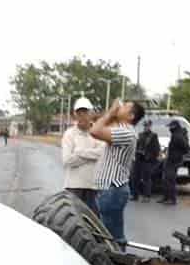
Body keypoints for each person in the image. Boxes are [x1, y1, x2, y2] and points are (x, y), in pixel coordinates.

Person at [90, 99, 146, 247]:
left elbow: (95, 131)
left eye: (125, 107)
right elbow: (100, 123)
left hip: (112, 189)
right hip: (111, 190)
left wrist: (111, 112)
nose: (120, 107)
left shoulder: (126, 133)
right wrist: (112, 113)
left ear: (131, 116)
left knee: (110, 239)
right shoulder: (121, 129)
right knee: (114, 236)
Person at [61, 97, 105, 215]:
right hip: (73, 186)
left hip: (93, 186)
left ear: (91, 113)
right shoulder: (69, 134)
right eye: (79, 113)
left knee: (95, 224)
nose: (82, 116)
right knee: (74, 223)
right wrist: (92, 154)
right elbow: (67, 160)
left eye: (85, 112)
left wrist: (79, 152)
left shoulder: (98, 132)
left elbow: (102, 153)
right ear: (75, 115)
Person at [160, 120, 190, 206]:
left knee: (170, 179)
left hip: (174, 160)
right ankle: (166, 197)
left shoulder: (178, 136)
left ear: (174, 126)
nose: (169, 128)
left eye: (170, 127)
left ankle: (172, 199)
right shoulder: (175, 135)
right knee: (165, 178)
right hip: (170, 159)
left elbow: (186, 148)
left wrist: (177, 154)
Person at [133, 120, 160, 202]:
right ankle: (135, 195)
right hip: (138, 159)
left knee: (146, 179)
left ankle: (147, 196)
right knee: (135, 178)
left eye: (147, 126)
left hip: (147, 160)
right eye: (145, 126)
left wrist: (149, 156)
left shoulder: (153, 136)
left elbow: (156, 149)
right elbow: (137, 146)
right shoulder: (140, 135)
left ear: (150, 126)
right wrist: (137, 152)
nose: (146, 127)